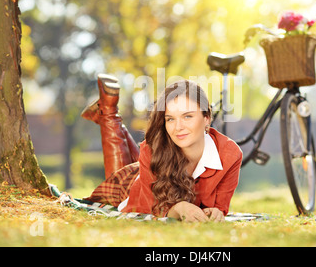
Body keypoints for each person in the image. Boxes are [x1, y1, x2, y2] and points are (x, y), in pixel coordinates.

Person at [81, 74, 242, 222]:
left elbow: (220, 207)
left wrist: (215, 212)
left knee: (146, 151)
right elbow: (150, 207)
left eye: (187, 116)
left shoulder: (231, 155)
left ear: (206, 118)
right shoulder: (151, 151)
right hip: (133, 185)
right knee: (126, 162)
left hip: (151, 165)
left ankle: (107, 116)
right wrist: (178, 208)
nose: (178, 127)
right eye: (170, 119)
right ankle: (109, 112)